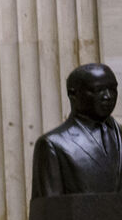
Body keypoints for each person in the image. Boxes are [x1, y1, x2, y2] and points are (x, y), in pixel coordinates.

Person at [31, 63, 121, 198]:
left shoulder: (120, 135)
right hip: (81, 218)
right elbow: (49, 210)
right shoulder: (53, 145)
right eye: (98, 90)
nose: (108, 96)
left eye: (112, 89)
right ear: (73, 94)